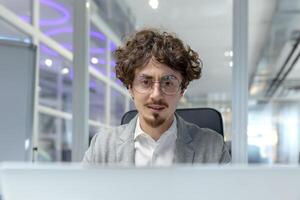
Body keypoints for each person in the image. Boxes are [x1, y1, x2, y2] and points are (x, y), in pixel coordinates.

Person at [83, 28, 231, 166]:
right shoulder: (102, 147)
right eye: (145, 82)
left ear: (182, 88)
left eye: (168, 82)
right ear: (130, 87)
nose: (156, 94)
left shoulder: (214, 149)